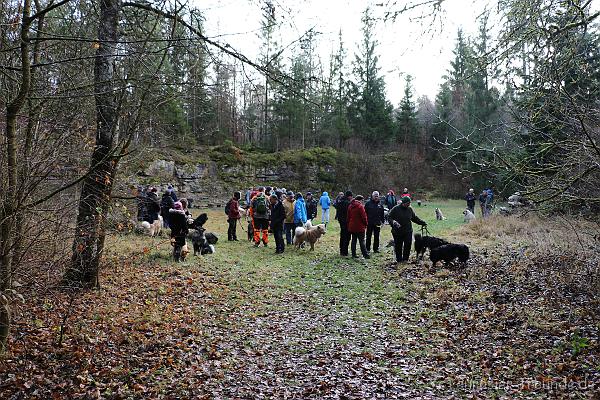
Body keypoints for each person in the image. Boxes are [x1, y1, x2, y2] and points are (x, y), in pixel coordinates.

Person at [388, 196, 427, 263]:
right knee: (398, 246)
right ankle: (399, 260)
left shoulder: (409, 209)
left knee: (408, 245)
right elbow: (389, 217)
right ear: (403, 203)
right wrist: (393, 222)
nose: (409, 204)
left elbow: (414, 218)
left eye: (409, 203)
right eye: (407, 203)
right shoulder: (395, 209)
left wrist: (422, 223)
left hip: (408, 230)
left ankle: (405, 259)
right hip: (397, 231)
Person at [347, 195, 370, 259]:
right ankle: (365, 255)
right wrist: (366, 224)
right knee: (362, 241)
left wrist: (349, 224)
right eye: (363, 200)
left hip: (352, 226)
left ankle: (353, 254)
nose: (363, 202)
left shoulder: (350, 206)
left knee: (353, 240)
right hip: (360, 226)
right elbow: (364, 217)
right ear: (360, 200)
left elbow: (348, 217)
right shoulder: (360, 207)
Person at [334, 190, 352, 256]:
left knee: (342, 235)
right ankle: (345, 251)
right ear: (349, 196)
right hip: (346, 221)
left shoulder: (340, 201)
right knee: (347, 236)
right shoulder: (348, 203)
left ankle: (341, 250)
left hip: (341, 221)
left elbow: (337, 210)